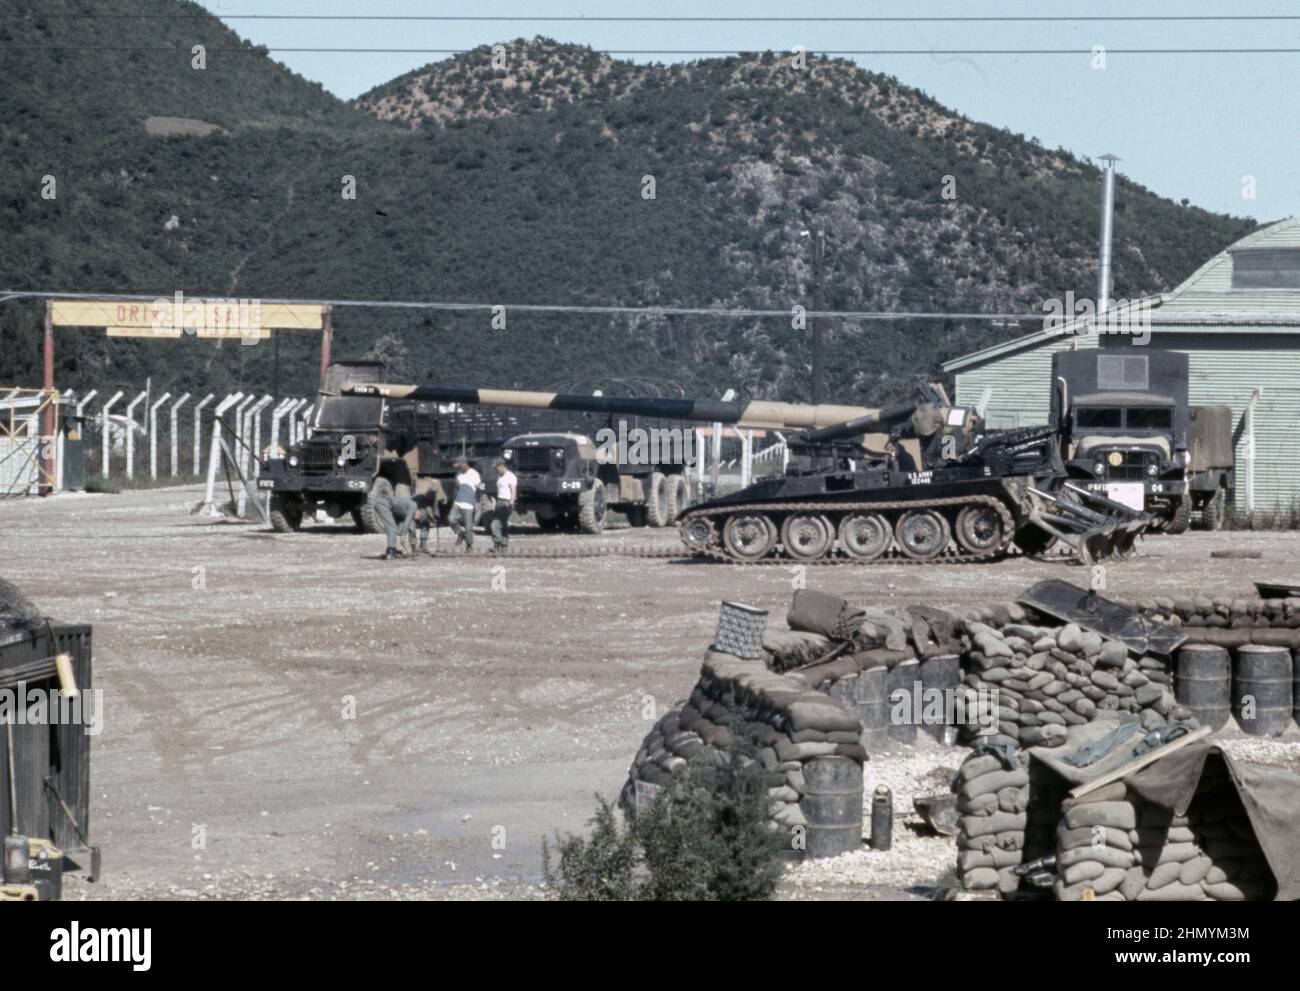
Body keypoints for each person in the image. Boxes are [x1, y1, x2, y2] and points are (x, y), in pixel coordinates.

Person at [450, 456, 482, 551]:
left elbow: (480, 488)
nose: (459, 468)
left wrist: (478, 501)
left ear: (465, 464)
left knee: (469, 526)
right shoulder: (458, 474)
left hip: (469, 501)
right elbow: (457, 488)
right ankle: (460, 532)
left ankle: (469, 545)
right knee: (451, 519)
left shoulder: (474, 474)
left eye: (460, 465)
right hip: (458, 501)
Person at [490, 459, 517, 554]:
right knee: (503, 525)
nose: (495, 470)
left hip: (506, 502)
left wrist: (511, 503)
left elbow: (513, 491)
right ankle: (504, 546)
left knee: (495, 524)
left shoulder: (510, 476)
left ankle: (497, 544)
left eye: (496, 467)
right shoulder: (500, 477)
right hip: (499, 502)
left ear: (501, 466)